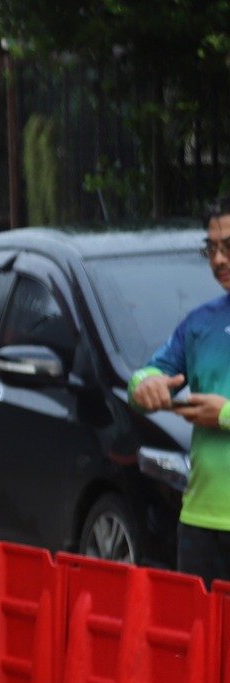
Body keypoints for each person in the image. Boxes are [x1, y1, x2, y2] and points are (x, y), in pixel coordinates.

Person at [131, 198, 230, 585]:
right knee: (201, 642)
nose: (219, 260)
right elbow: (146, 376)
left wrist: (223, 415)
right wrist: (147, 386)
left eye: (229, 247)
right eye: (212, 248)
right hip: (200, 520)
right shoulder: (200, 323)